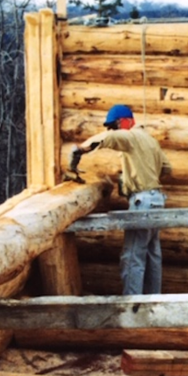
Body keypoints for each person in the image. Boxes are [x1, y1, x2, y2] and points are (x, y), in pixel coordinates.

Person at [70, 104, 173, 295]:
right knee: (152, 255)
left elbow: (108, 138)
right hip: (157, 200)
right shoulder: (150, 140)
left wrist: (81, 149)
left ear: (125, 121)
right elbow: (166, 168)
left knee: (133, 256)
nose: (112, 130)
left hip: (143, 201)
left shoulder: (131, 136)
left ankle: (132, 308)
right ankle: (152, 306)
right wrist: (143, 173)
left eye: (114, 126)